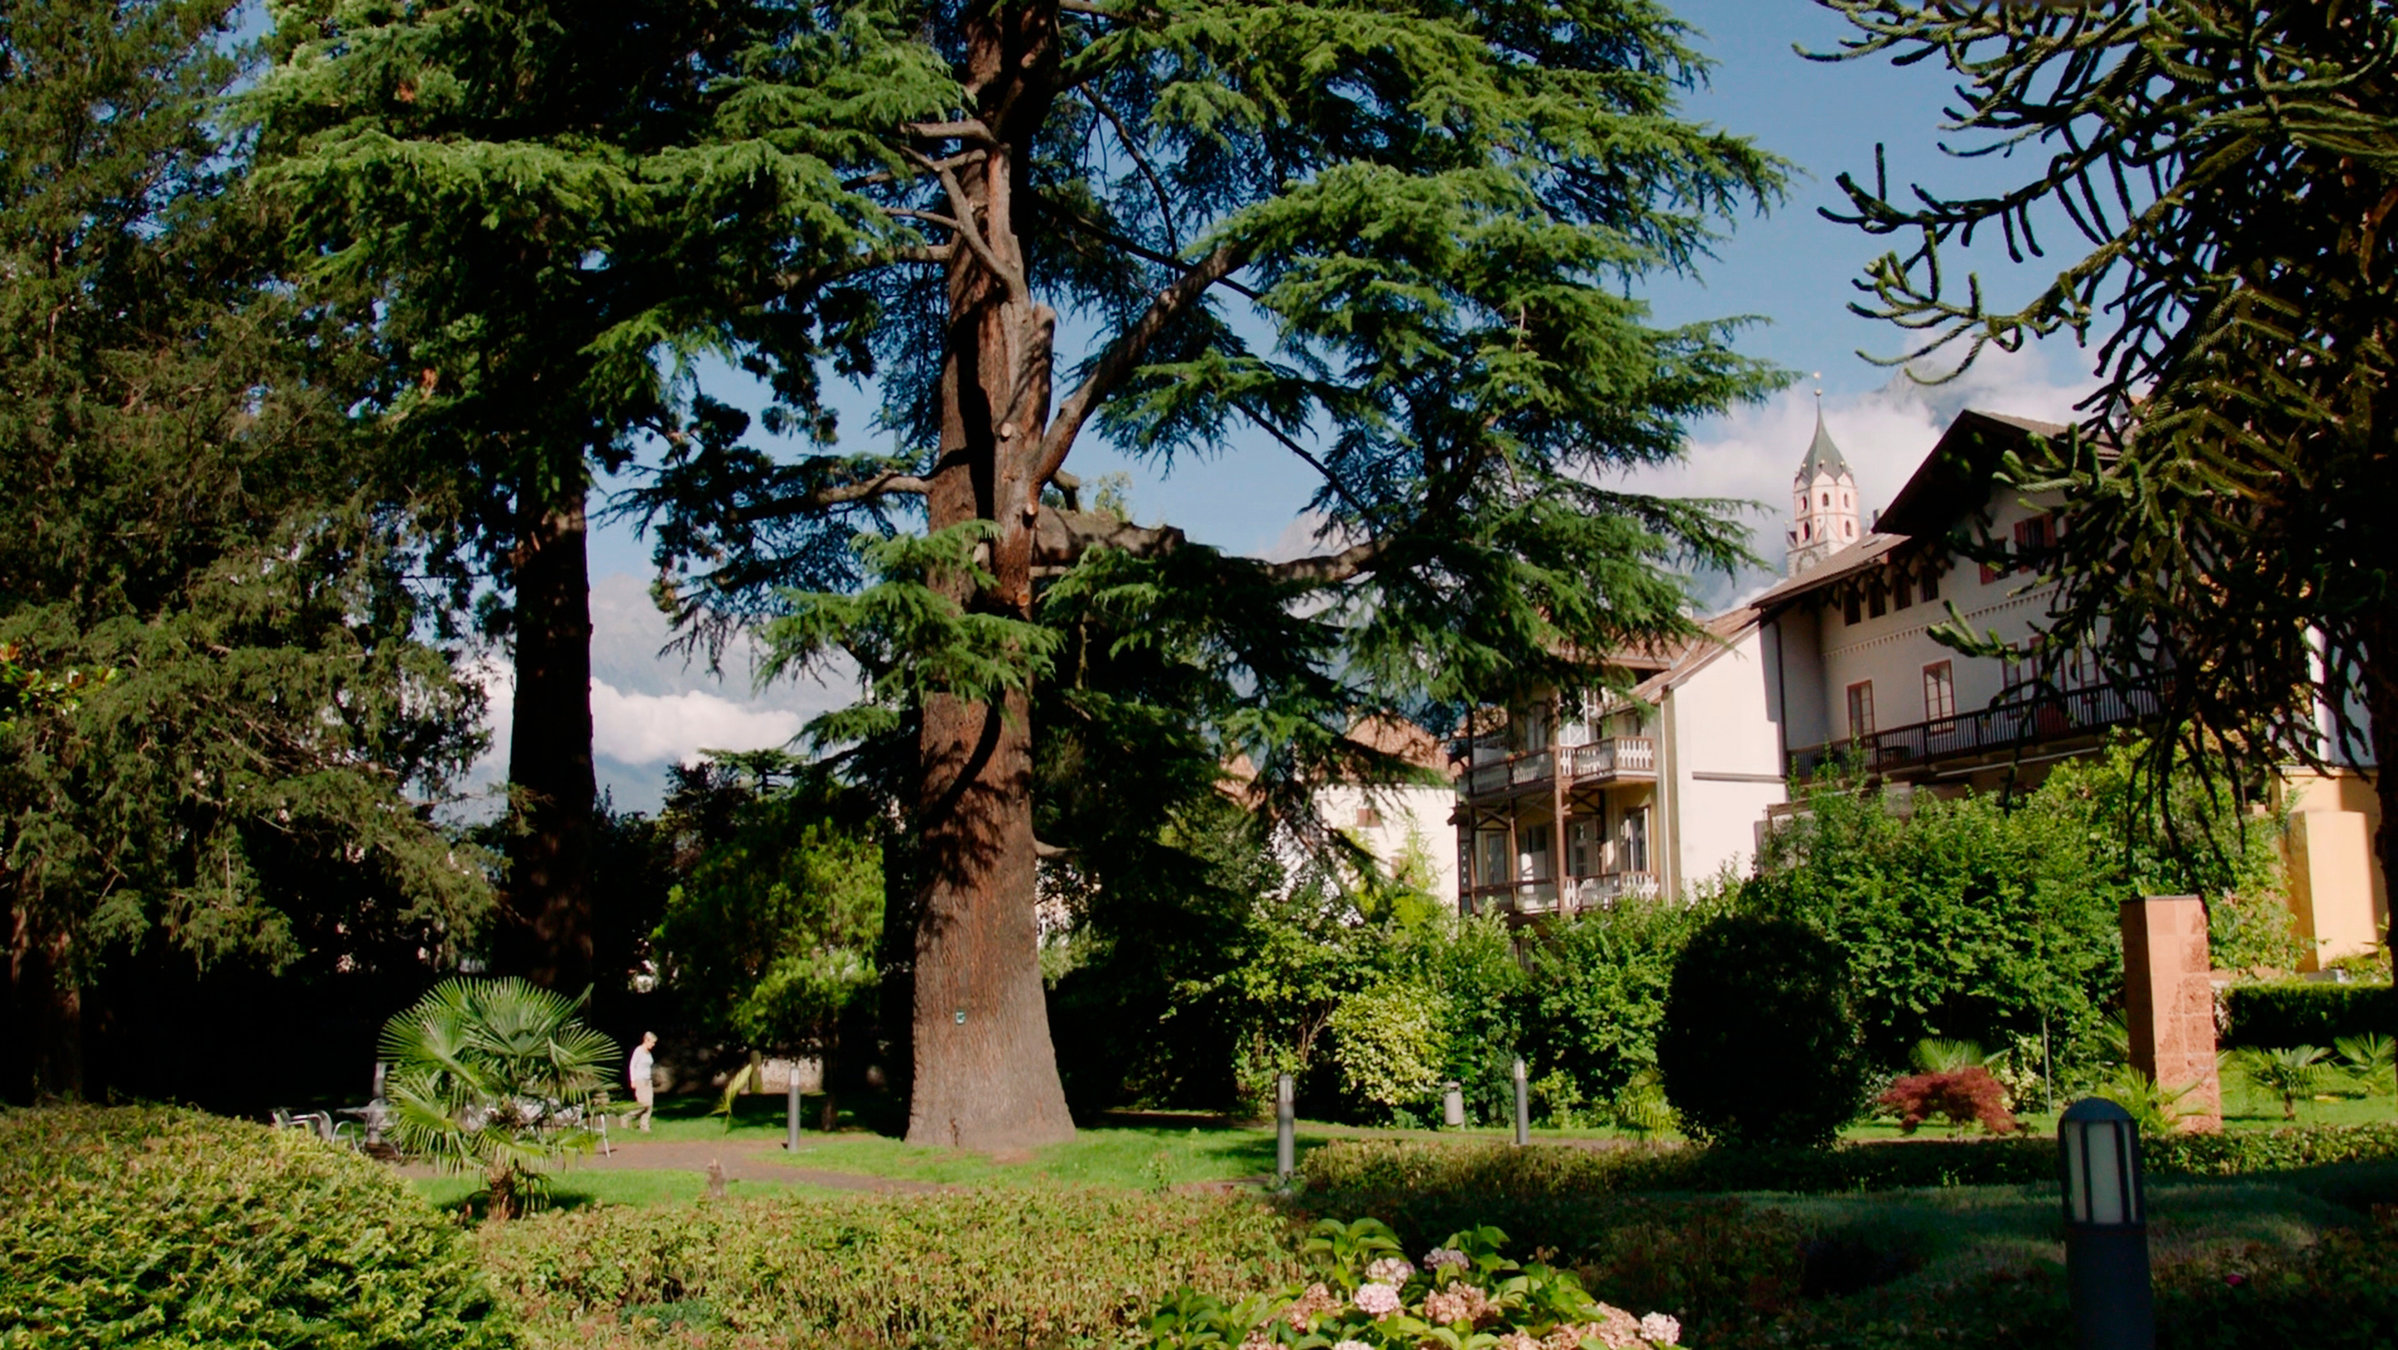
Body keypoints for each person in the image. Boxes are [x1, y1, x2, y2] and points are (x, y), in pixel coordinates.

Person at [627, 1032, 658, 1133]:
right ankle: (628, 1116)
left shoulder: (648, 1053)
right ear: (646, 1040)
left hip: (648, 1081)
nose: (653, 1045)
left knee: (650, 1104)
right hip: (640, 1080)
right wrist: (633, 1080)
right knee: (643, 1104)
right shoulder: (639, 1051)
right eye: (652, 1042)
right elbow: (632, 1065)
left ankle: (644, 1126)